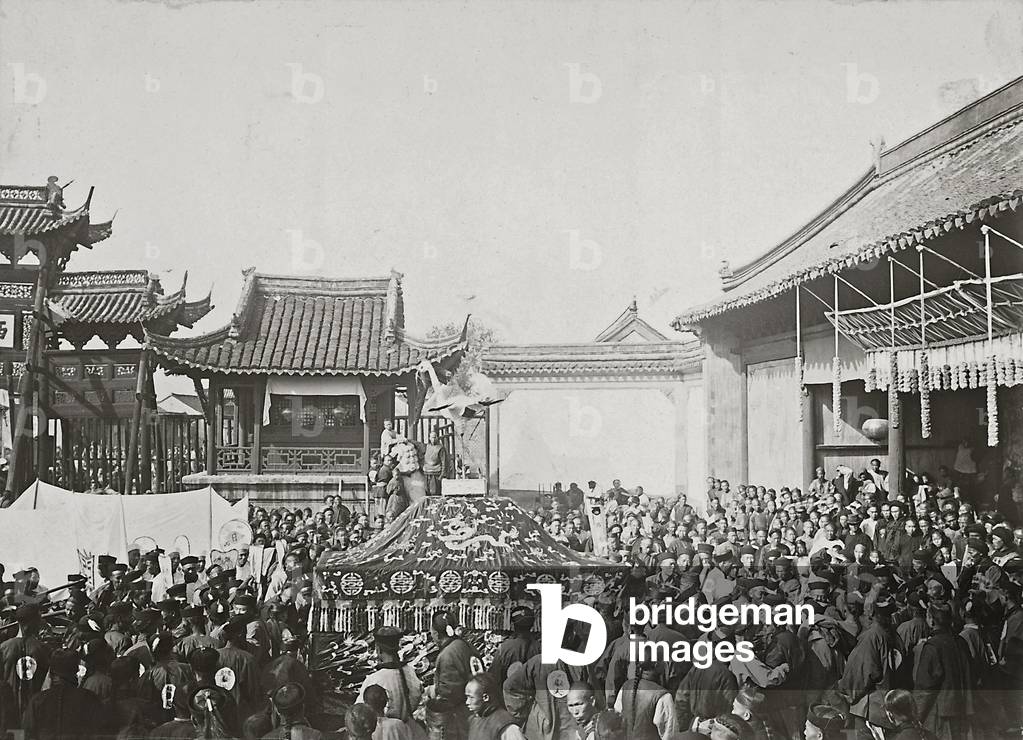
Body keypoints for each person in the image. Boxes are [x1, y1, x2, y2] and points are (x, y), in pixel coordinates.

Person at [21, 649, 103, 740]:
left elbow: (28, 734)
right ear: (75, 672)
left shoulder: (37, 701)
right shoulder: (89, 699)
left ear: (51, 674)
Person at [464, 672, 525, 740]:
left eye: (471, 697)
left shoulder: (505, 725)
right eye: (467, 697)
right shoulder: (474, 721)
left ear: (485, 697)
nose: (467, 702)